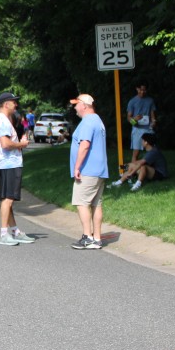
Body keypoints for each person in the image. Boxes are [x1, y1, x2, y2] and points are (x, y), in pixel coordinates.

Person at [0, 92, 34, 246]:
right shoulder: (2, 121)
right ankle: (3, 234)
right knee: (8, 199)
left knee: (7, 199)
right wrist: (22, 144)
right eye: (14, 102)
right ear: (6, 104)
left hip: (4, 163)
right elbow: (6, 144)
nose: (16, 105)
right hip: (9, 163)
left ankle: (14, 231)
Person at [69, 94, 108, 250]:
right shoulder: (97, 120)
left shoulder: (87, 121)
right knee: (96, 204)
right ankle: (97, 238)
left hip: (88, 169)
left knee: (82, 202)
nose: (75, 108)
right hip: (99, 170)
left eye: (76, 104)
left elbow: (84, 145)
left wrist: (77, 167)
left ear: (84, 105)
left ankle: (87, 237)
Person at [126, 80, 156, 164]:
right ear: (137, 89)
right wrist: (134, 119)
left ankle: (151, 168)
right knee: (136, 153)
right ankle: (132, 169)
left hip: (148, 129)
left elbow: (152, 115)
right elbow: (128, 118)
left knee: (152, 151)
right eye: (141, 90)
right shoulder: (132, 101)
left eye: (144, 90)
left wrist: (154, 122)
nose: (142, 92)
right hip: (137, 129)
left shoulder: (150, 100)